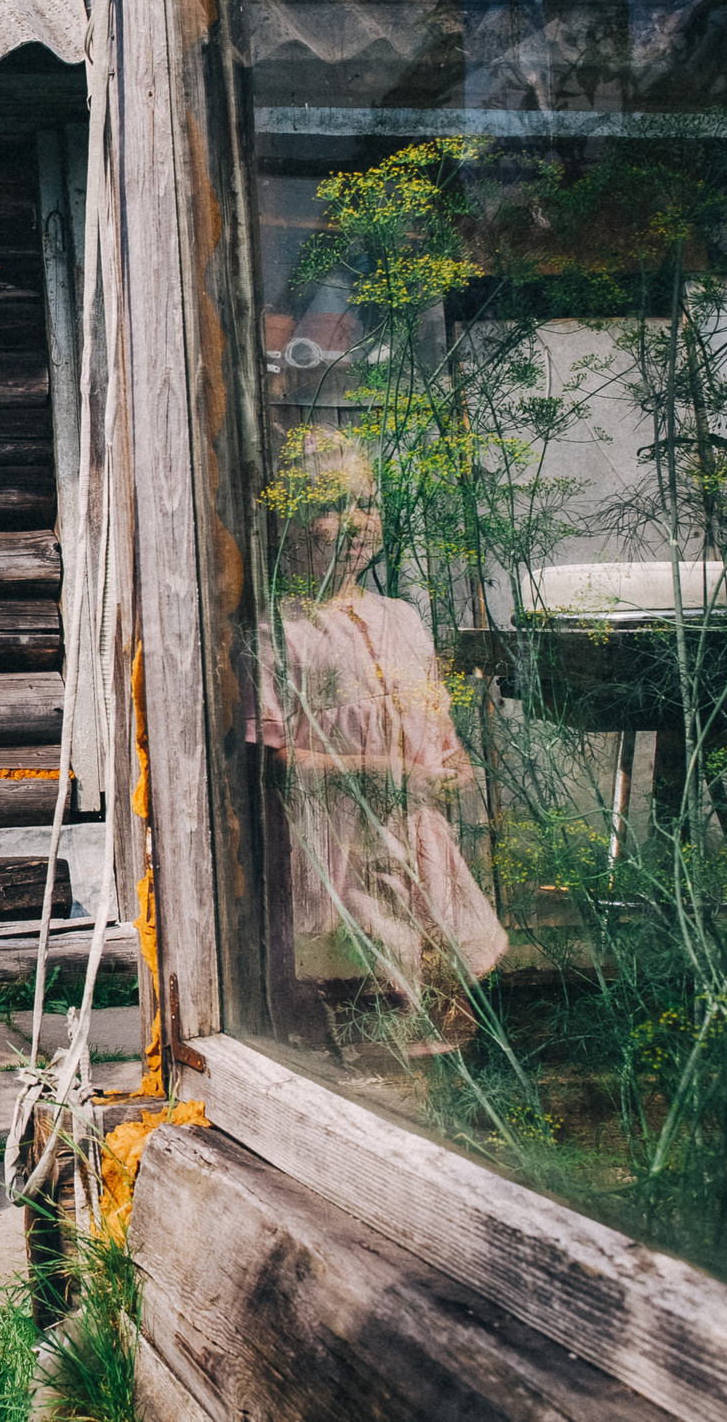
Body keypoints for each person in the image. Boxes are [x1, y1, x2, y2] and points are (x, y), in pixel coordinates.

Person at [253, 430, 507, 1054]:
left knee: (448, 998)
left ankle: (436, 1111)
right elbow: (271, 760)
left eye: (368, 503)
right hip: (342, 848)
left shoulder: (402, 617)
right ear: (287, 518)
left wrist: (453, 759)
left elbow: (432, 720)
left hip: (418, 839)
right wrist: (377, 773)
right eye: (330, 505)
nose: (356, 522)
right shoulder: (278, 630)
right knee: (373, 1005)